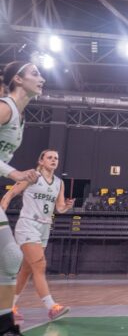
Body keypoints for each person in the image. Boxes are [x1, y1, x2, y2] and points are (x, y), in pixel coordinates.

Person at [1, 149, 74, 323]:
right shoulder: (32, 177)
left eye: (56, 158)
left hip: (45, 227)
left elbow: (59, 207)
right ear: (41, 161)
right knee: (40, 265)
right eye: (49, 157)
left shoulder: (59, 183)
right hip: (28, 225)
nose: (53, 160)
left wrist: (67, 207)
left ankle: (8, 307)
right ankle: (51, 307)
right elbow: (10, 194)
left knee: (27, 269)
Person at [0, 61, 44, 336]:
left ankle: (5, 325)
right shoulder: (5, 107)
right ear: (18, 78)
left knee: (10, 258)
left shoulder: (21, 116)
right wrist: (13, 172)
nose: (43, 78)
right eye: (35, 73)